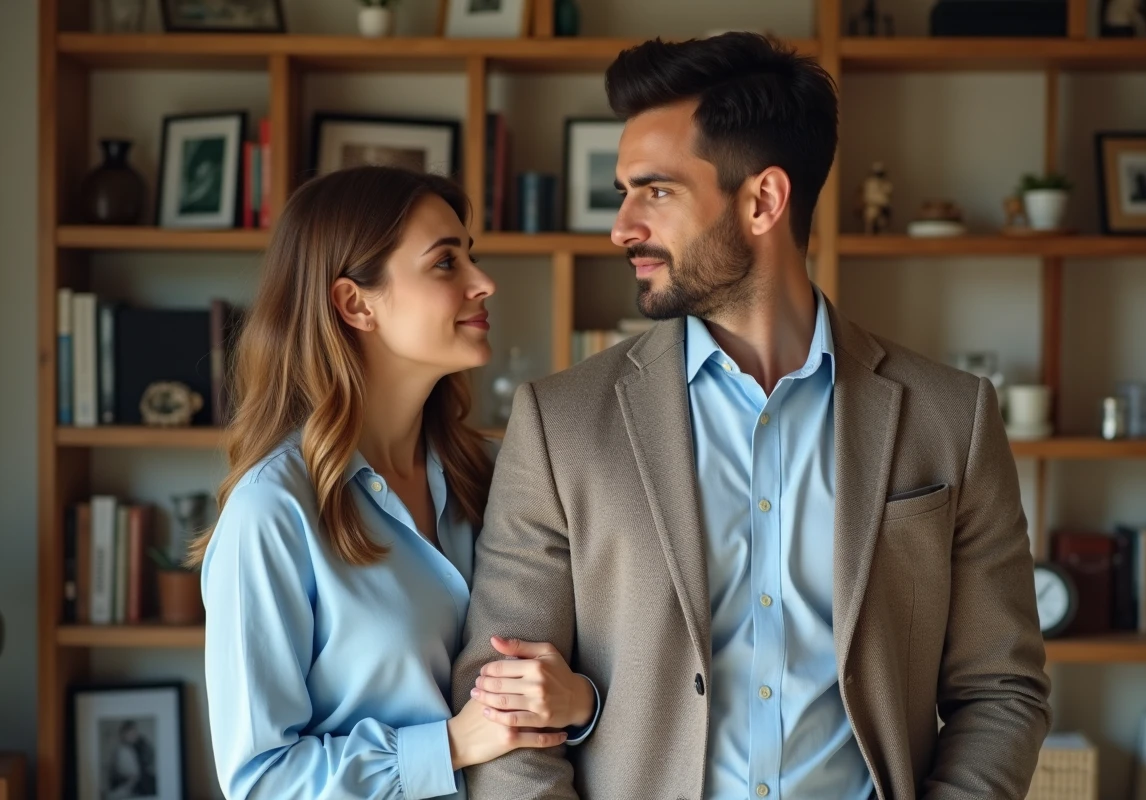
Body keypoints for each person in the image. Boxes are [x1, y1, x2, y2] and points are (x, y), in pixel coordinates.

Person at [452, 32, 1052, 800]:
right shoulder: (558, 423)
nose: (622, 226)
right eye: (623, 192)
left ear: (764, 199)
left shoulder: (952, 419)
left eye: (656, 191)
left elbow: (1001, 690)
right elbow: (501, 705)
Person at [194, 166, 600, 799]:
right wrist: (455, 743)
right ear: (356, 303)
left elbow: (558, 675)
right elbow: (260, 780)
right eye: (445, 264)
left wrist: (578, 704)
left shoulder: (496, 479)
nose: (484, 283)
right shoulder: (272, 514)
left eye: (472, 257)